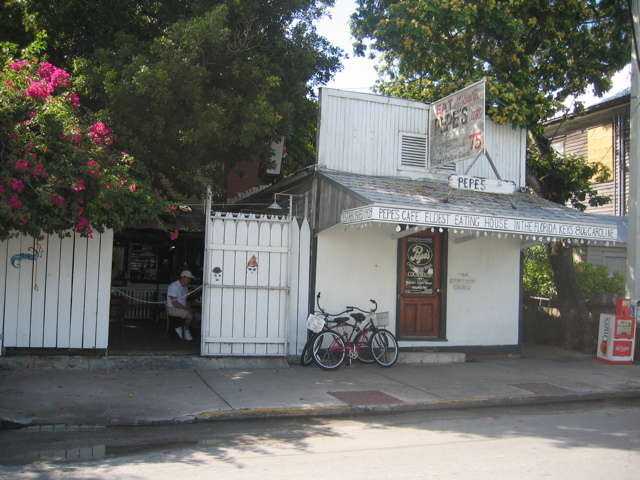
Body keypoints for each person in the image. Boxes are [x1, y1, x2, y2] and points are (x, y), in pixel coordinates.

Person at [166, 270, 201, 341]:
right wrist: (185, 309)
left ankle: (183, 328)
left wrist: (188, 307)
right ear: (182, 277)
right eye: (188, 278)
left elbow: (185, 300)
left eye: (190, 279)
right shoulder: (174, 286)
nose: (190, 280)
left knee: (198, 316)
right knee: (190, 315)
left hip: (182, 307)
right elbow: (174, 302)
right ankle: (186, 331)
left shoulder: (185, 287)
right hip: (172, 308)